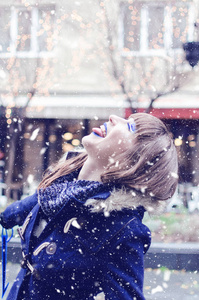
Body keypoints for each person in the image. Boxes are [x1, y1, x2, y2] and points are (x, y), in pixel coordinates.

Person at [0, 113, 178, 300]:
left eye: (130, 127)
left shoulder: (123, 230)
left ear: (135, 161)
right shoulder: (59, 187)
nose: (113, 118)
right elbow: (16, 212)